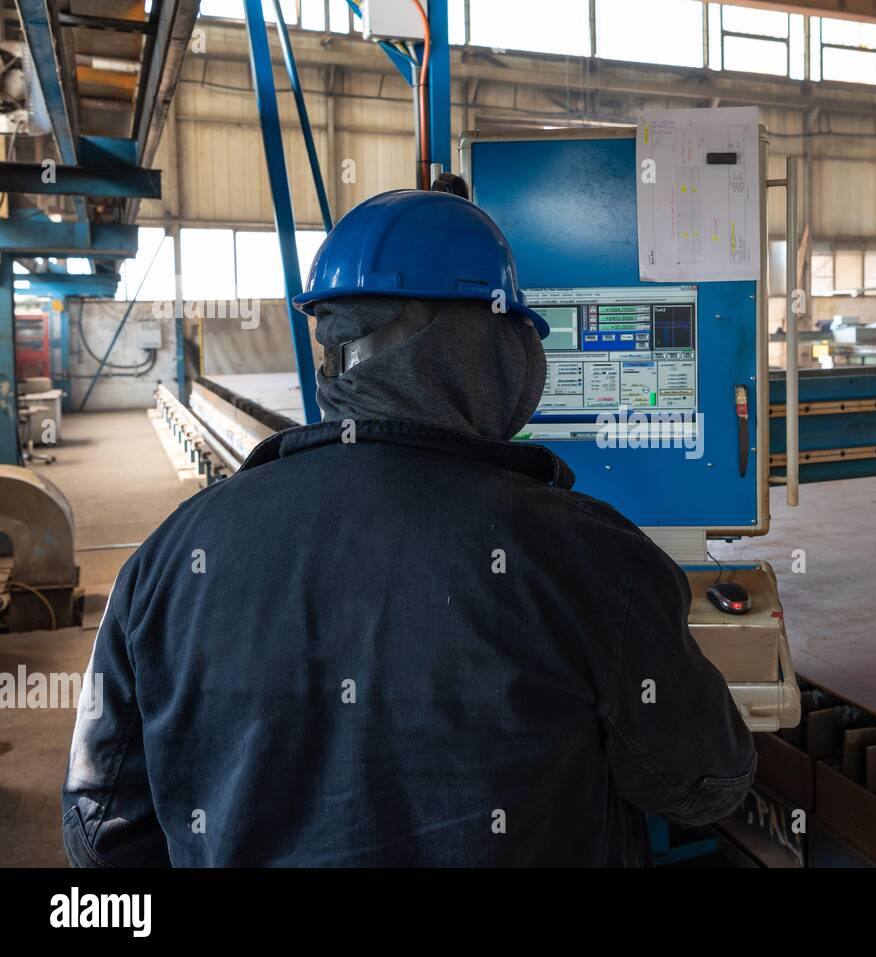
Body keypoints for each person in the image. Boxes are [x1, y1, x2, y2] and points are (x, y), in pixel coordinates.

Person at [61, 189, 756, 866]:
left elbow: (99, 830)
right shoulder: (590, 557)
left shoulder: (170, 559)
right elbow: (707, 783)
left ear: (337, 346)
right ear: (486, 346)